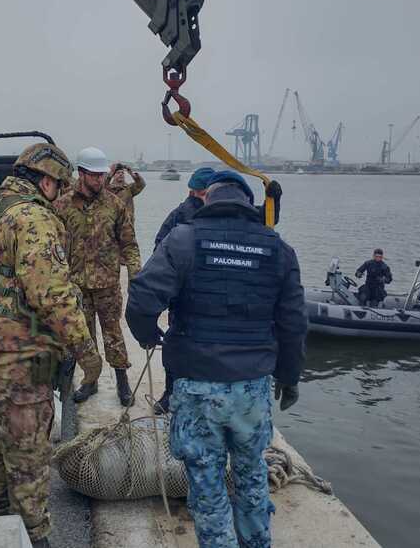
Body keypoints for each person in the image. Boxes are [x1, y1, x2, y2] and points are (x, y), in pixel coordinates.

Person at [125, 171, 307, 548]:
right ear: (246, 202)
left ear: (208, 200)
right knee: (252, 476)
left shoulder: (184, 239)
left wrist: (149, 337)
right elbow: (293, 324)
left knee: (207, 487)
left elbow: (142, 301)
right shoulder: (278, 248)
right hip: (252, 389)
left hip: (197, 387)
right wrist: (289, 378)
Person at [0, 143, 103, 548]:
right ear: (45, 180)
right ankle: (35, 537)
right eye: (59, 184)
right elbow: (52, 294)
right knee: (28, 457)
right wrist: (87, 354)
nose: (61, 191)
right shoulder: (33, 217)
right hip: (18, 353)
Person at [152, 169, 284, 415]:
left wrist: (272, 201)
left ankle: (216, 397)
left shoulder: (235, 212)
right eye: (202, 193)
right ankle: (171, 393)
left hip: (229, 291)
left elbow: (264, 220)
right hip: (189, 294)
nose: (205, 197)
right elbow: (160, 248)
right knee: (178, 344)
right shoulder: (181, 215)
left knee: (220, 345)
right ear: (195, 192)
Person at [54, 147, 142, 407]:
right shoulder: (62, 206)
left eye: (101, 175)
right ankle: (90, 381)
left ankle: (122, 383)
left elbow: (129, 243)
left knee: (113, 334)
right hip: (77, 286)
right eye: (93, 176)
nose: (99, 180)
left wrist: (135, 273)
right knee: (84, 337)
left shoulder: (115, 204)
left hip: (107, 284)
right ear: (80, 173)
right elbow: (53, 246)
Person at [153, 166, 215, 248]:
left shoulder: (226, 211)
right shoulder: (179, 214)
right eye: (203, 194)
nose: (205, 198)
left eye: (209, 193)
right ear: (192, 192)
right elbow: (160, 245)